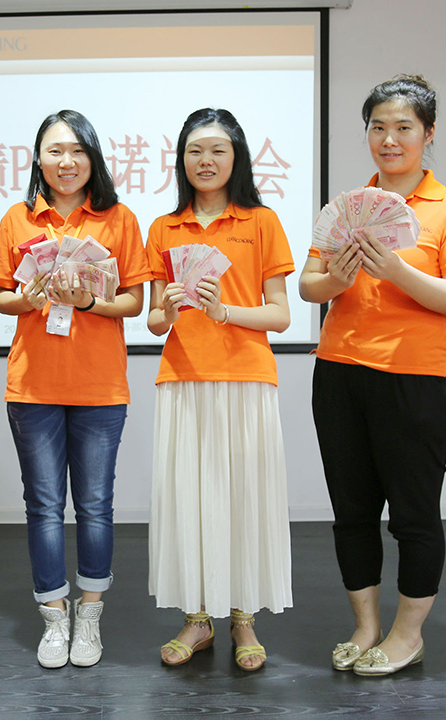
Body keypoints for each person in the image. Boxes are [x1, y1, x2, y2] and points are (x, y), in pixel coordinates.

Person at [299, 75, 446, 676]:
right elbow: (309, 286)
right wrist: (340, 277)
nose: (389, 138)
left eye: (404, 127)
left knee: (413, 515)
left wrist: (396, 270)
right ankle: (366, 625)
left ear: (428, 134)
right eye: (378, 127)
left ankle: (408, 634)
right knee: (352, 511)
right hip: (339, 374)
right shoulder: (348, 208)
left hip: (414, 379)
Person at [0, 110, 152, 669]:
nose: (66, 161)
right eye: (55, 151)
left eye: (77, 151)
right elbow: (1, 298)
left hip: (100, 385)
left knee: (96, 505)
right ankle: (54, 617)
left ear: (93, 158)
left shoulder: (118, 219)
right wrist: (29, 298)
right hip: (32, 384)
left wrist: (87, 302)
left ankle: (90, 614)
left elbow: (134, 301)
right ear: (38, 159)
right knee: (43, 506)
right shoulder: (17, 219)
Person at [146, 108, 294, 672]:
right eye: (194, 151)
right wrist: (169, 308)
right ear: (181, 160)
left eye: (217, 150)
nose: (205, 161)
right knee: (190, 499)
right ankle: (198, 617)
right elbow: (154, 323)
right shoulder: (164, 227)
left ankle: (243, 617)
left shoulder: (261, 221)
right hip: (183, 377)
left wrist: (224, 311)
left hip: (246, 378)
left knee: (243, 498)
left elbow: (280, 314)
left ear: (237, 158)